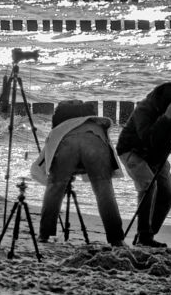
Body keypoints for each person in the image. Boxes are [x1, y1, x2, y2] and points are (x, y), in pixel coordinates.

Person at [116, 82, 171, 248]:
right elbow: (148, 138)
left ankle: (147, 235)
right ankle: (144, 237)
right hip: (132, 151)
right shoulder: (144, 109)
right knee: (148, 186)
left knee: (168, 195)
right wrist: (166, 117)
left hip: (157, 155)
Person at [31, 101, 126, 247]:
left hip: (66, 144)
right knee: (103, 190)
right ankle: (116, 239)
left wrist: (60, 179)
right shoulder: (95, 124)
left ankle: (44, 235)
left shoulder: (58, 131)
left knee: (55, 186)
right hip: (95, 140)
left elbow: (39, 167)